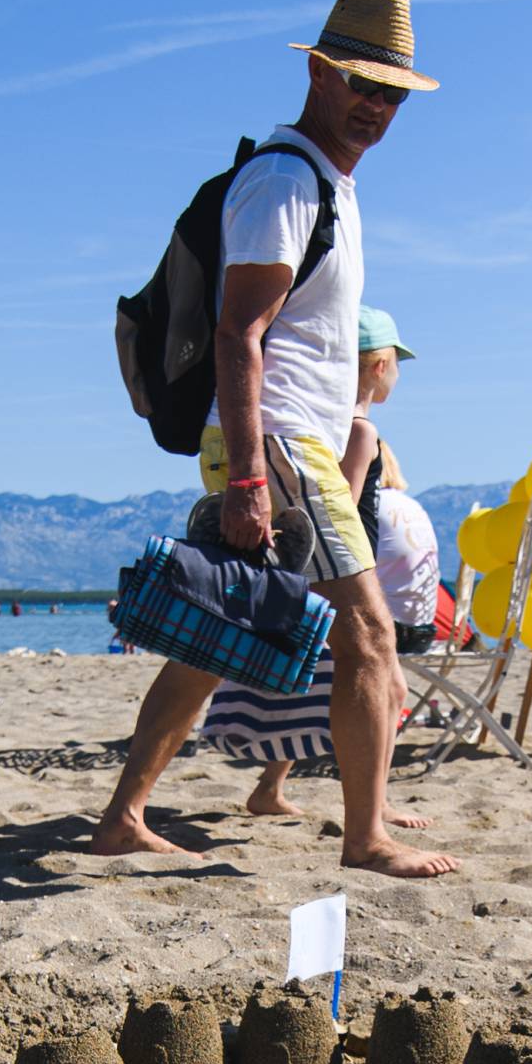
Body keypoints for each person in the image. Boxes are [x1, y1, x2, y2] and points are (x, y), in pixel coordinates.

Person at [89, 0, 456, 877]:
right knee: (368, 631)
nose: (376, 105)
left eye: (392, 92)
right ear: (319, 71)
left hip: (283, 445)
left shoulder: (329, 185)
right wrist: (252, 475)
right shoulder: (288, 181)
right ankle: (364, 837)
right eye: (362, 84)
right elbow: (237, 333)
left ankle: (122, 813)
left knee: (218, 636)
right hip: (279, 444)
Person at [205, 307, 453, 820]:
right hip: (340, 570)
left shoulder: (323, 426)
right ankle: (376, 804)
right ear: (379, 367)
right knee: (389, 684)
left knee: (319, 685)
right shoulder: (361, 432)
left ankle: (270, 789)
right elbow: (343, 506)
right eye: (397, 364)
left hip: (314, 574)